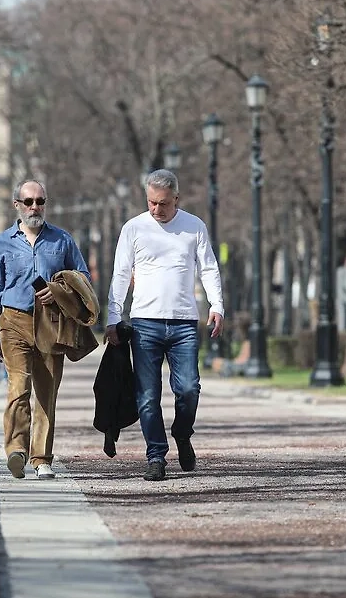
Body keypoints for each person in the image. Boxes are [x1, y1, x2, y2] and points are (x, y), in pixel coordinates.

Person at [105, 169, 224, 482]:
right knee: (147, 395)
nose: (156, 210)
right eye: (151, 203)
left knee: (189, 388)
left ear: (177, 199)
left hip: (184, 323)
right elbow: (120, 274)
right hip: (145, 323)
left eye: (163, 204)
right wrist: (113, 317)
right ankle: (156, 456)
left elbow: (209, 268)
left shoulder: (194, 226)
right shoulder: (133, 229)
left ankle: (182, 434)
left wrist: (217, 306)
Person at [0, 179, 93, 480]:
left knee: (46, 392)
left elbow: (82, 277)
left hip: (51, 323)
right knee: (18, 387)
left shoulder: (62, 240)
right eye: (29, 201)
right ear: (16, 204)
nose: (35, 207)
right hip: (13, 322)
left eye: (40, 201)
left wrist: (59, 291)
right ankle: (16, 450)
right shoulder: (2, 242)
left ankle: (41, 457)